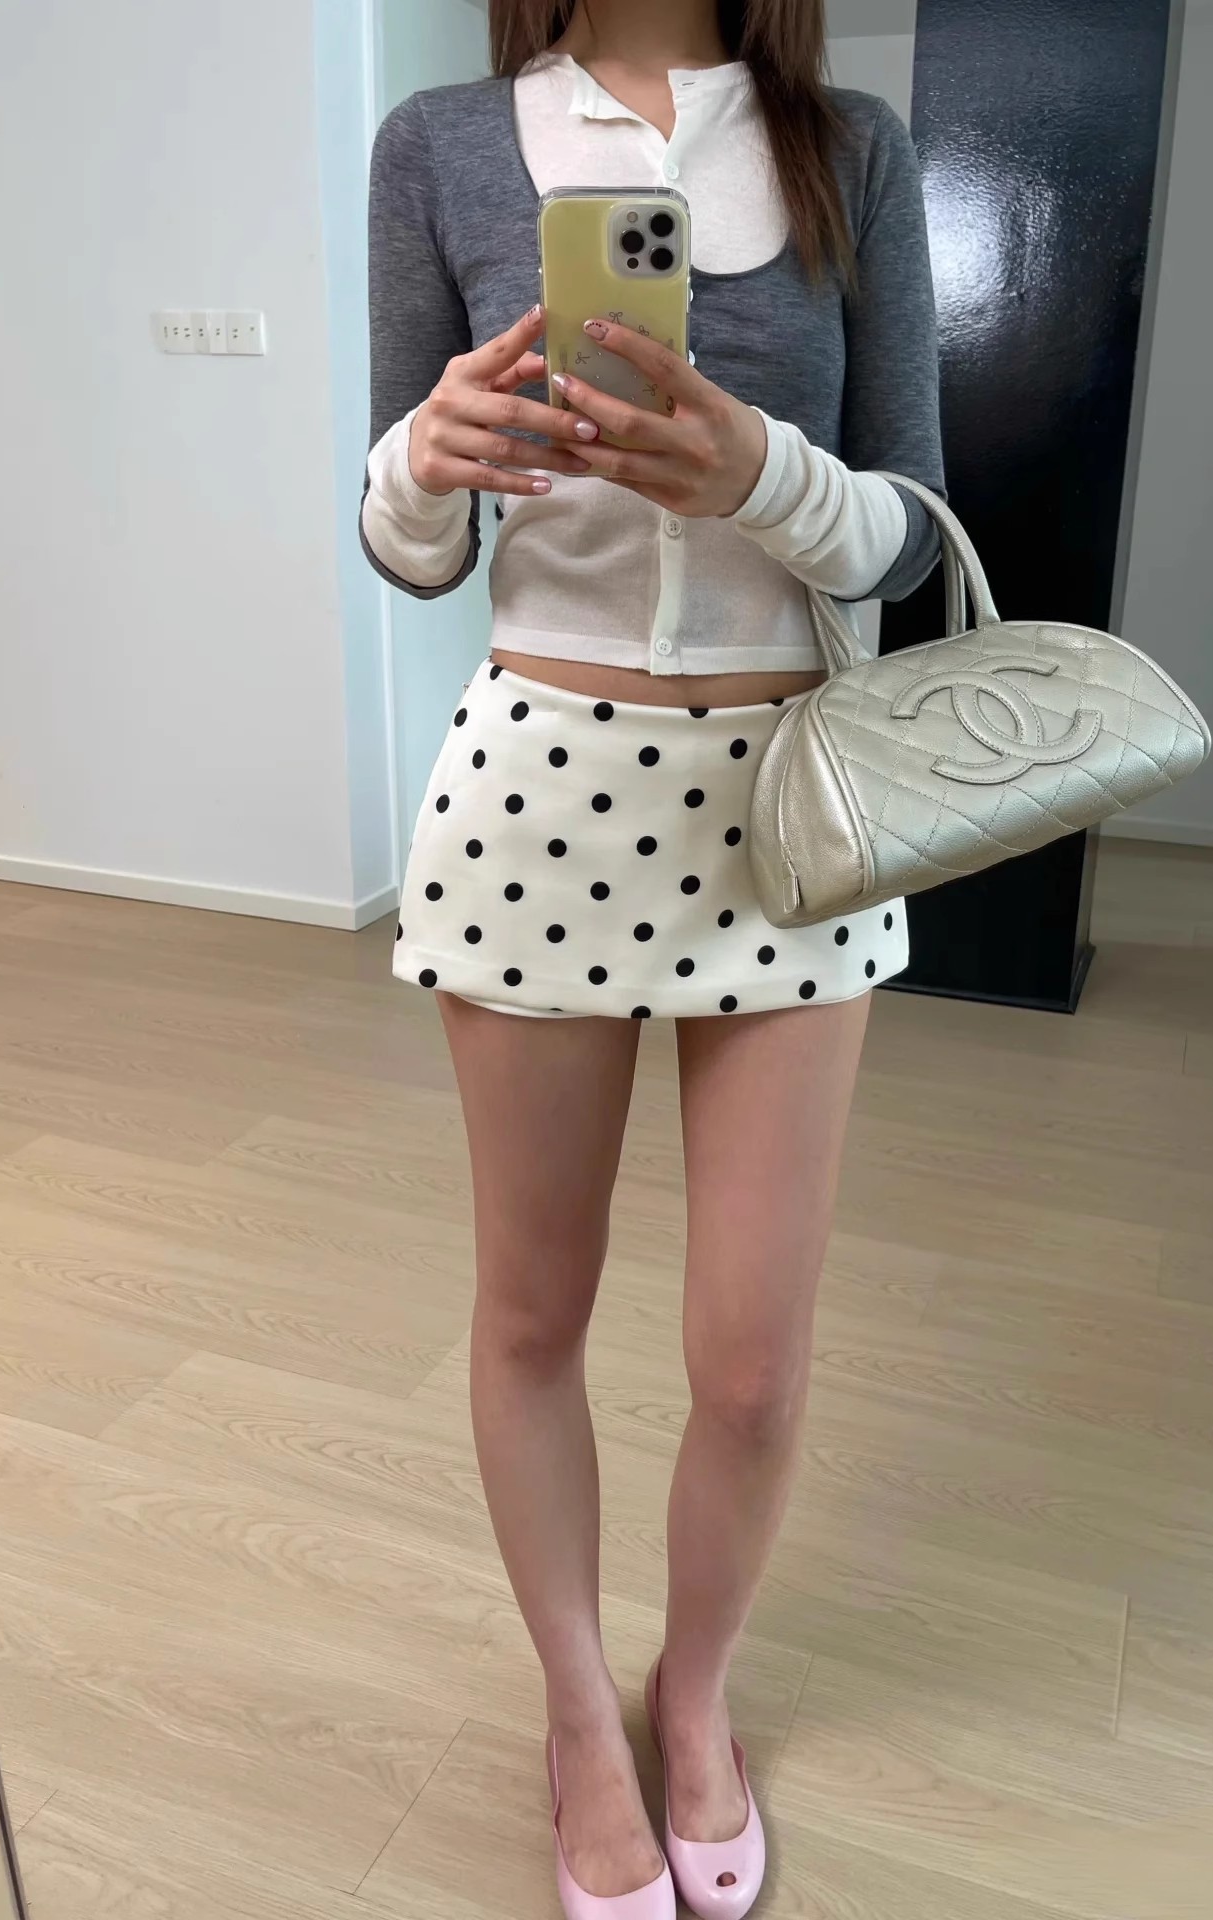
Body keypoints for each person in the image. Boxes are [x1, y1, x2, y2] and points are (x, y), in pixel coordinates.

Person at [363, 2, 942, 1912]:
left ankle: (695, 1695)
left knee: (752, 1364)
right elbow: (412, 553)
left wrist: (758, 473)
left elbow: (909, 538)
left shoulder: (852, 149)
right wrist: (424, 460)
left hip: (796, 813)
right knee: (533, 1312)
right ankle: (573, 1712)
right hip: (541, 779)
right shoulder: (442, 145)